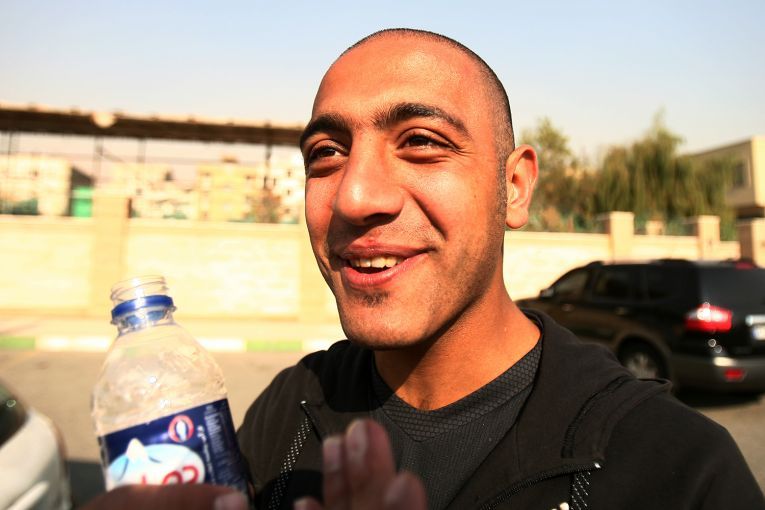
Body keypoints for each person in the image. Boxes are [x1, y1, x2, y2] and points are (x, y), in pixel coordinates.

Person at [85, 28, 764, 510]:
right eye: (326, 154)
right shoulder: (289, 412)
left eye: (420, 142)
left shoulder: (674, 470)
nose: (354, 197)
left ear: (514, 187)